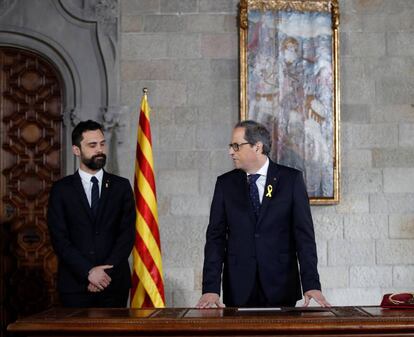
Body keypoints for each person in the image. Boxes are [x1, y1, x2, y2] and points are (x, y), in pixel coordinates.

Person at [196, 120, 329, 308]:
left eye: (236, 146)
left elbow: (304, 238)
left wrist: (312, 284)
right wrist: (210, 288)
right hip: (238, 288)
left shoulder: (291, 180)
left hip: (281, 286)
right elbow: (215, 239)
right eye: (231, 146)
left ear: (257, 147)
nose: (231, 152)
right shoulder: (225, 184)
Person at [47, 120, 136, 307]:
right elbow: (59, 239)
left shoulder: (121, 187)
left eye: (102, 144)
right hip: (75, 285)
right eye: (92, 145)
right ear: (76, 150)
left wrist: (103, 275)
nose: (100, 150)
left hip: (113, 285)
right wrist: (89, 272)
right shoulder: (61, 190)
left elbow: (126, 235)